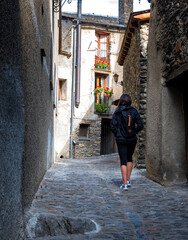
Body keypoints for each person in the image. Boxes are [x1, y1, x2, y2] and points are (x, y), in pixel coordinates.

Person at [110, 94, 143, 191]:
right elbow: (140, 125)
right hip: (132, 139)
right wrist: (134, 132)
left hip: (121, 139)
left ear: (121, 101)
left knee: (123, 161)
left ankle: (124, 184)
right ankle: (128, 180)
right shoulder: (134, 111)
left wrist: (118, 134)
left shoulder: (117, 112)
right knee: (129, 158)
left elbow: (113, 126)